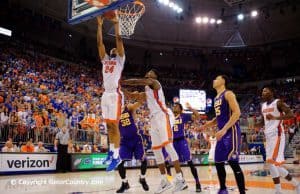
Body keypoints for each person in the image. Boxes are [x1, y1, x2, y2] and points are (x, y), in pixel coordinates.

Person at [123, 69, 187, 194]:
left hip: (163, 116)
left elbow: (137, 81)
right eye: (147, 72)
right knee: (157, 150)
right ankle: (164, 181)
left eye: (150, 72)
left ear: (155, 76)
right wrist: (119, 89)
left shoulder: (155, 83)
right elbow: (132, 96)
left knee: (168, 146)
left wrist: (123, 81)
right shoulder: (147, 91)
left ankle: (180, 179)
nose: (148, 73)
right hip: (153, 119)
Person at [200, 75, 246, 194]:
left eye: (217, 78)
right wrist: (205, 126)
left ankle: (242, 192)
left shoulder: (228, 94)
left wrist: (225, 129)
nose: (214, 80)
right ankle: (223, 189)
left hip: (232, 131)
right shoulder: (216, 98)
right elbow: (217, 118)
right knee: (218, 162)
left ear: (223, 81)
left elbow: (237, 113)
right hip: (222, 133)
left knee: (233, 162)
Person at [256, 87, 300, 194]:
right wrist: (258, 125)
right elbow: (264, 119)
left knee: (271, 163)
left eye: (266, 91)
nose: (263, 93)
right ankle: (296, 184)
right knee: (275, 165)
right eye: (262, 91)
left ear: (272, 92)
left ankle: (278, 191)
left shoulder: (278, 103)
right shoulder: (263, 106)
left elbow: (291, 114)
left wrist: (276, 118)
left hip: (278, 135)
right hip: (268, 136)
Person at [97, 13, 125, 171]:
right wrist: (99, 25)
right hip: (105, 94)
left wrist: (116, 24)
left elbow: (119, 40)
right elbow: (99, 43)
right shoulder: (105, 60)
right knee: (108, 127)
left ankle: (117, 156)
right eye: (112, 49)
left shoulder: (120, 60)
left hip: (115, 94)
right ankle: (111, 152)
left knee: (114, 126)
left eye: (116, 49)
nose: (114, 49)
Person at [116, 99, 149, 193]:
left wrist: (140, 97)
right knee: (120, 162)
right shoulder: (114, 113)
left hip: (135, 138)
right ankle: (124, 183)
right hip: (124, 141)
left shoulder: (128, 107)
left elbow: (137, 104)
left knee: (143, 160)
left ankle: (142, 178)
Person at [172, 102, 202, 192]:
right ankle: (182, 183)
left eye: (177, 106)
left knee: (190, 162)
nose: (174, 107)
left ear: (181, 109)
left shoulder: (183, 116)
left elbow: (197, 116)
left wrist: (191, 108)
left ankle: (197, 183)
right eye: (174, 106)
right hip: (173, 142)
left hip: (182, 141)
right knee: (177, 165)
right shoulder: (169, 116)